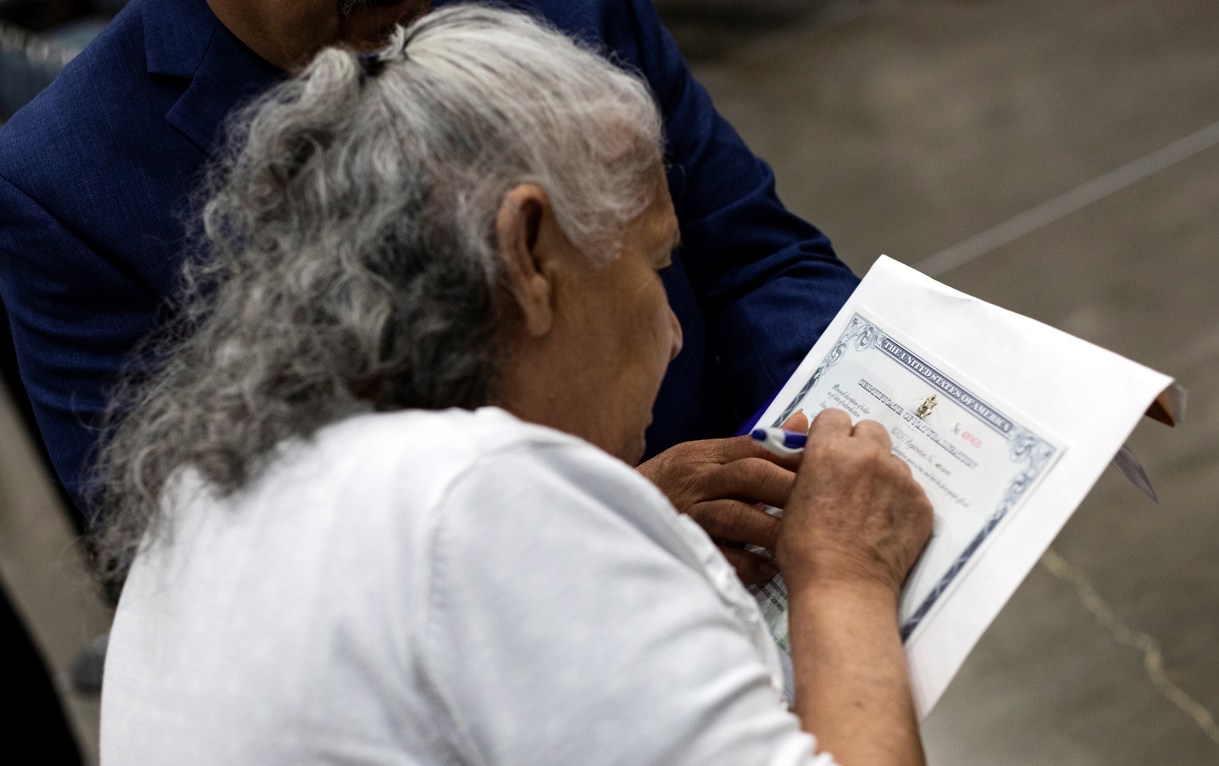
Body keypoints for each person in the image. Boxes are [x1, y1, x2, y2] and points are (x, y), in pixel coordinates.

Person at [93, 8, 934, 766]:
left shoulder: (206, 491)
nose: (675, 334)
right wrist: (843, 571)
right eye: (653, 262)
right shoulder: (480, 499)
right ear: (528, 250)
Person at [0, 0, 857, 565]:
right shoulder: (68, 181)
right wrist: (608, 526)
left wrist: (838, 438)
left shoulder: (564, 5)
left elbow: (756, 256)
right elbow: (189, 561)